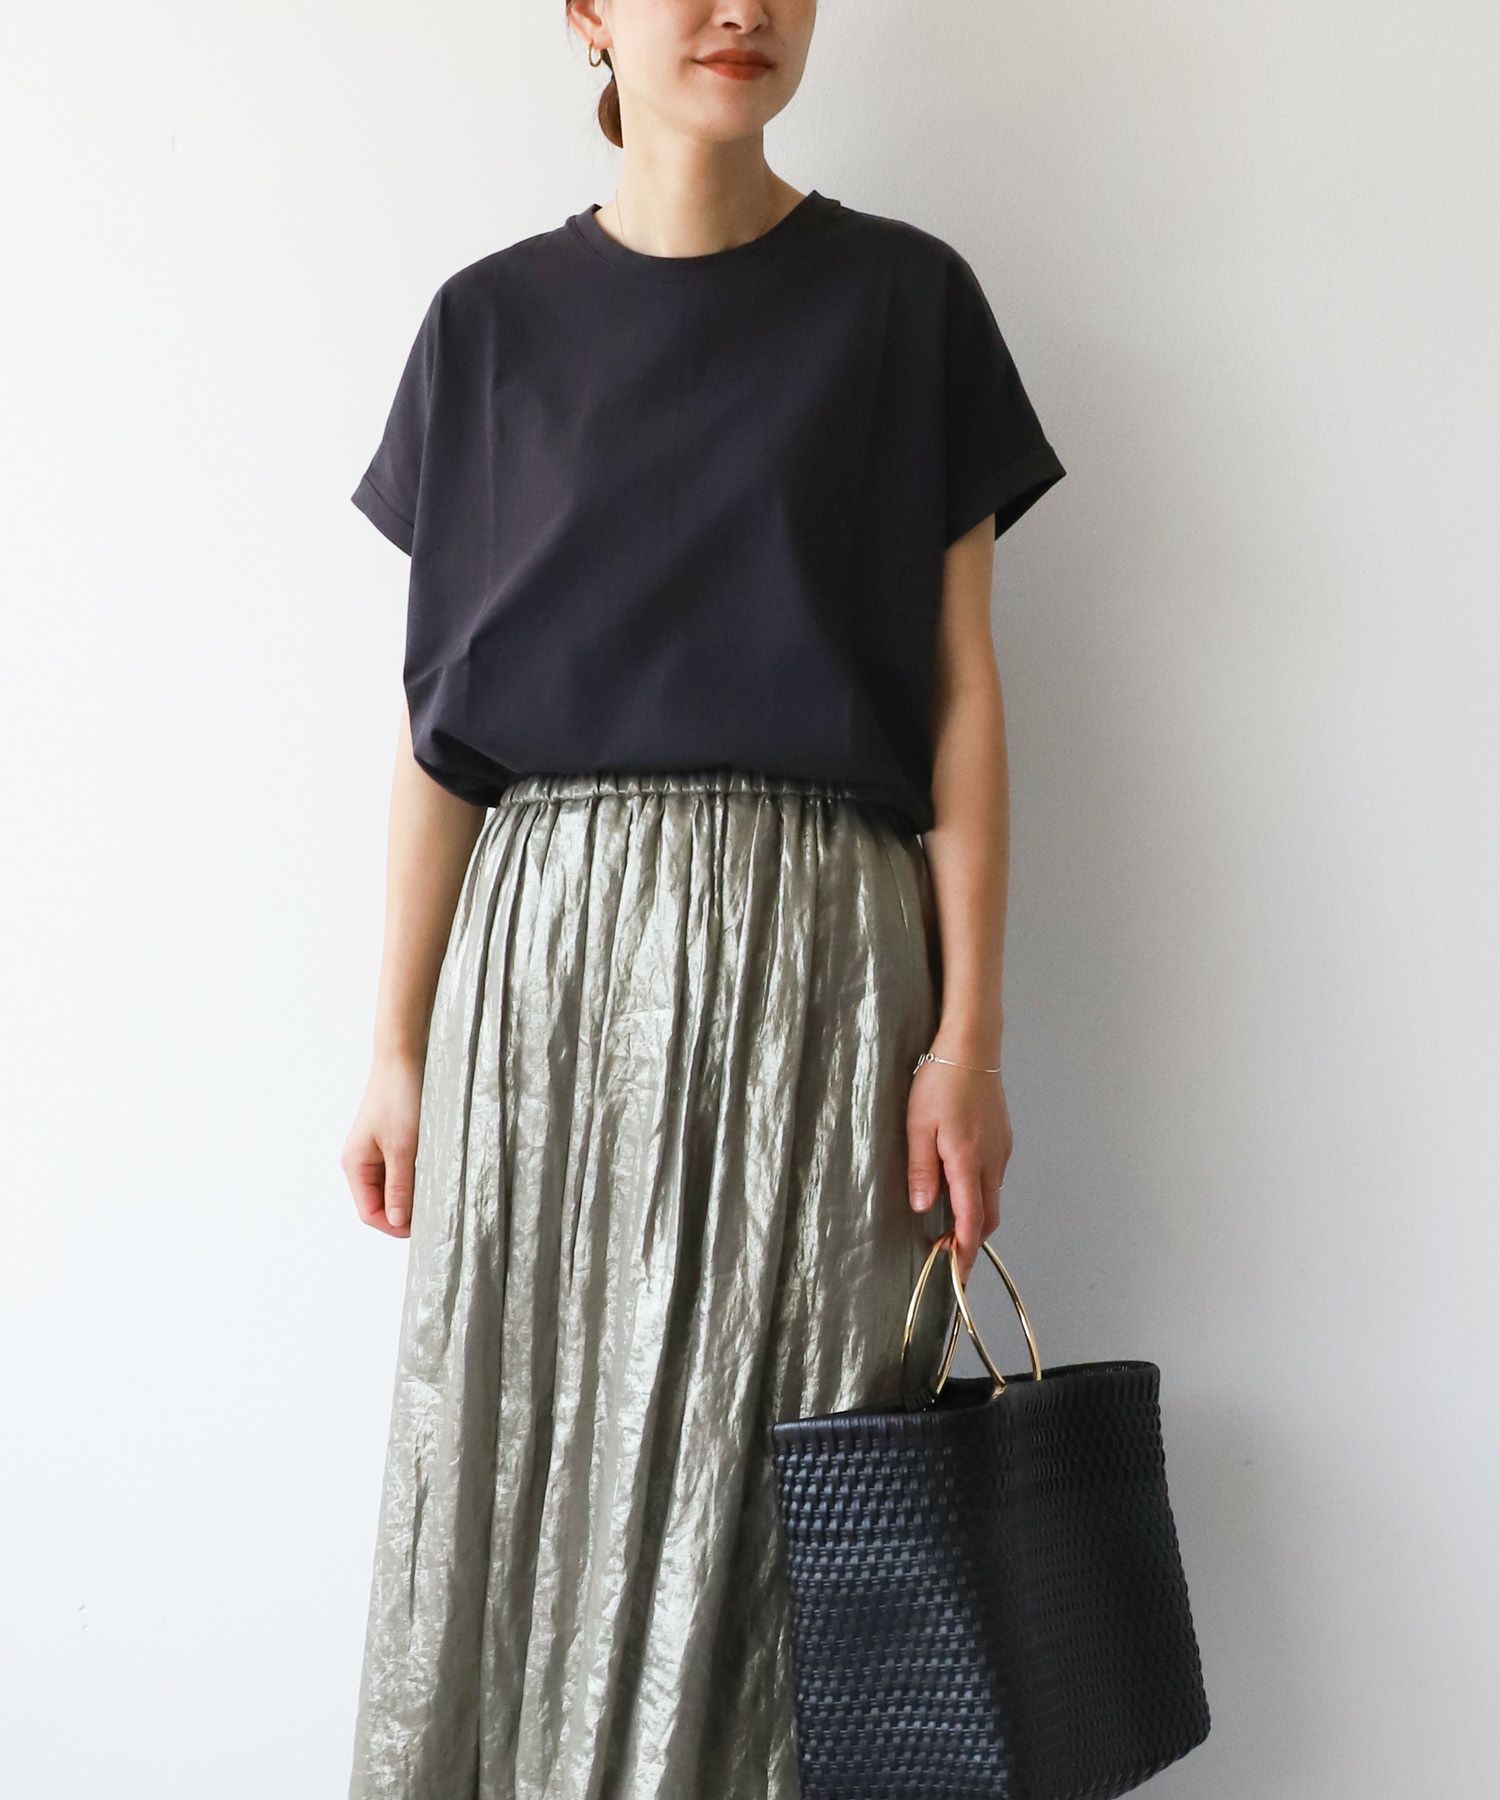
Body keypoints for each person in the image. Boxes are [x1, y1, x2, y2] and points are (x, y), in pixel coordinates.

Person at [339, 3, 1067, 1794]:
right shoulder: (486, 328)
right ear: (586, 12)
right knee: (530, 1445)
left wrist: (970, 1037)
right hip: (547, 973)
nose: (740, 9)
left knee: (797, 1469)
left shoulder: (906, 305)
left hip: (825, 969)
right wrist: (395, 1045)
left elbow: (960, 695)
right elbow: (439, 738)